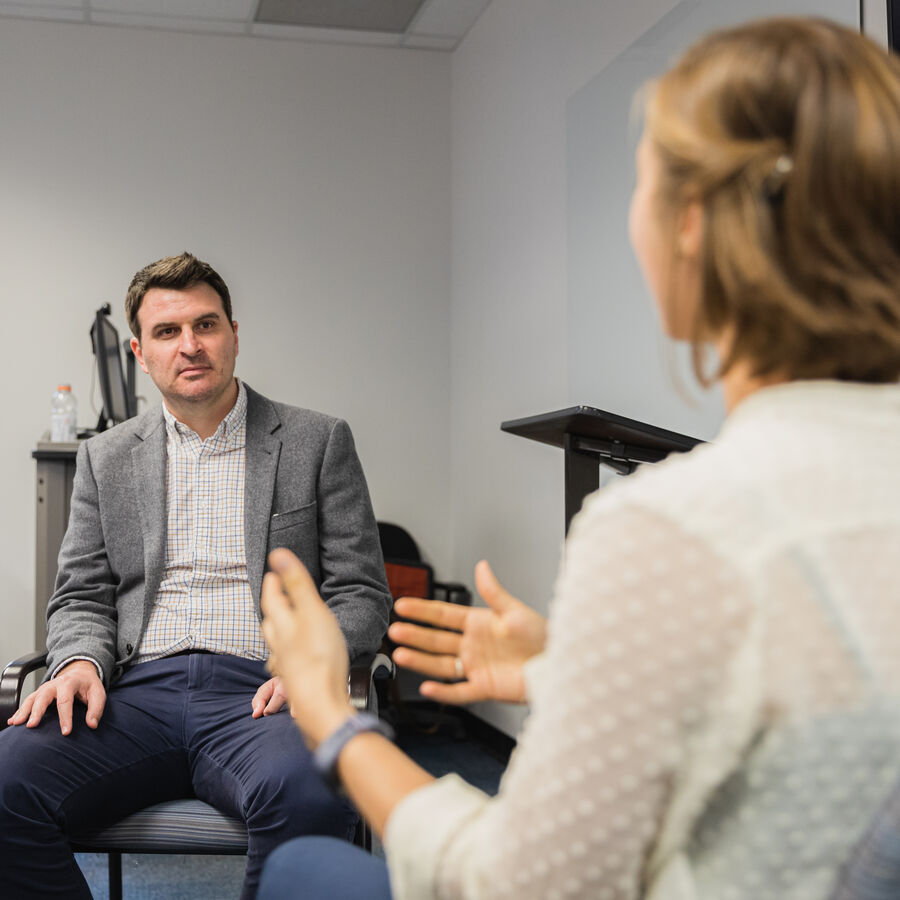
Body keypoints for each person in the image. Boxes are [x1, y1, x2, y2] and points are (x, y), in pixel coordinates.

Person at [255, 16, 900, 900]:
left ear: (693, 228)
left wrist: (331, 718)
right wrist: (562, 667)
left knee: (301, 869)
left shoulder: (672, 527)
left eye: (637, 183)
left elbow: (519, 885)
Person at [0, 252, 392, 899]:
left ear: (234, 334)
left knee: (309, 791)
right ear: (139, 351)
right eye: (167, 331)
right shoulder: (105, 458)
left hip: (263, 692)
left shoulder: (318, 441)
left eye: (206, 325)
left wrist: (311, 667)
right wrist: (76, 662)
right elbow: (80, 594)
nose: (190, 346)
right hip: (133, 695)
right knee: (7, 782)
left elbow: (359, 591)